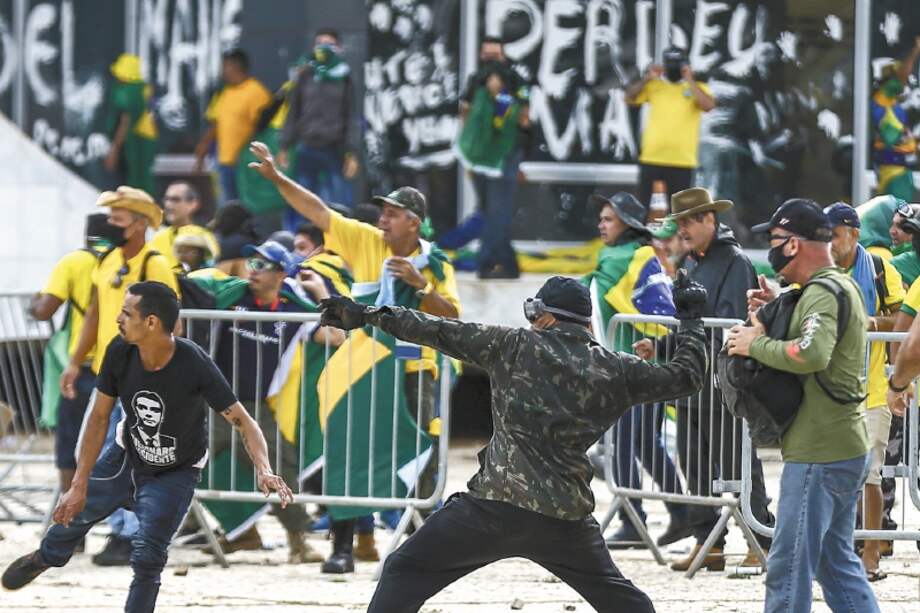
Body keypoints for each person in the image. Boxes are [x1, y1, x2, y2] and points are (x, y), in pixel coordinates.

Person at [318, 273, 708, 613]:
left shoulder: (513, 345)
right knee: (626, 603)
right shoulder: (616, 368)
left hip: (493, 508)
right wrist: (690, 321)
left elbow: (435, 329)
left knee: (405, 569)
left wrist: (366, 315)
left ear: (548, 317)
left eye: (534, 314)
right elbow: (686, 377)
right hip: (564, 517)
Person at [1, 282, 293, 611]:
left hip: (176, 472)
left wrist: (265, 469)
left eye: (127, 313)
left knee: (148, 558)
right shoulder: (119, 352)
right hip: (126, 456)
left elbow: (243, 421)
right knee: (74, 515)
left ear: (151, 322)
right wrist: (78, 483)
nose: (118, 319)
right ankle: (45, 557)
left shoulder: (193, 362)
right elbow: (98, 418)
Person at [728, 199, 879, 613]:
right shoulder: (830, 287)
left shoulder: (823, 293)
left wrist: (753, 343)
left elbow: (812, 354)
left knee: (789, 566)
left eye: (775, 241)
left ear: (793, 245)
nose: (772, 251)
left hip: (820, 452)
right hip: (839, 446)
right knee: (836, 566)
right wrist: (773, 308)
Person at [203, 239, 344, 565]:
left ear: (282, 274)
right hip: (209, 404)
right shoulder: (231, 297)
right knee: (177, 467)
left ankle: (298, 541)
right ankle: (238, 532)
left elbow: (336, 337)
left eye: (264, 265)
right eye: (252, 262)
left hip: (253, 407)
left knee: (281, 469)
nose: (253, 270)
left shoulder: (294, 309)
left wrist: (320, 291)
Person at [59, 186, 179, 566]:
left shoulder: (155, 263)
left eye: (117, 218)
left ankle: (128, 534)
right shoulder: (108, 259)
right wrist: (75, 360)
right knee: (93, 452)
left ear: (139, 224)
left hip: (142, 373)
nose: (109, 225)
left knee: (128, 456)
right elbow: (95, 314)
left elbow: (174, 320)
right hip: (107, 371)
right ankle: (118, 528)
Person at [660, 187, 773, 571]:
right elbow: (686, 323)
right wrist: (659, 348)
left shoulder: (735, 261)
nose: (684, 229)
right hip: (691, 380)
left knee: (738, 465)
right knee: (694, 466)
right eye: (680, 222)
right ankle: (708, 542)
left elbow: (728, 320)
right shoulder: (689, 263)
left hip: (723, 381)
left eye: (692, 220)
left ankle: (762, 539)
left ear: (711, 219)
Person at [581, 192, 691, 549]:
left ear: (627, 223)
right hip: (631, 365)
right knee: (644, 443)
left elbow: (657, 311)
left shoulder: (638, 256)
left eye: (609, 219)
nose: (601, 224)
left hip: (641, 366)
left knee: (625, 443)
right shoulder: (623, 257)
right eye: (600, 218)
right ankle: (682, 512)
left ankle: (633, 520)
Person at [823, 202, 904, 580]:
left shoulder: (877, 267)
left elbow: (901, 320)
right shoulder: (817, 269)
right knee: (830, 472)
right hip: (828, 386)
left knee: (869, 474)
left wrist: (871, 321)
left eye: (834, 235)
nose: (829, 243)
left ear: (854, 234)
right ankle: (836, 548)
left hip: (871, 386)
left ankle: (871, 550)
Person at [29, 214, 115, 505]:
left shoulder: (74, 262)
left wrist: (34, 301)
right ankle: (115, 519)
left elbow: (44, 310)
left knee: (70, 444)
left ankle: (71, 517)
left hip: (84, 366)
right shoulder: (124, 262)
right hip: (122, 364)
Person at [457, 36, 530, 279]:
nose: (491, 61)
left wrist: (500, 102)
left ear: (504, 56)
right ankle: (508, 264)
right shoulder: (474, 81)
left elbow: (524, 117)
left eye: (495, 56)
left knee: (499, 209)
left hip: (505, 155)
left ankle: (486, 261)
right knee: (490, 211)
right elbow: (464, 112)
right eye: (487, 56)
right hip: (479, 155)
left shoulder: (516, 80)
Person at [279, 27, 358, 230]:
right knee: (302, 200)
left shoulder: (344, 77)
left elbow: (351, 117)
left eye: (329, 44)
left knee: (337, 204)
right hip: (307, 146)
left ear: (339, 48)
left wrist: (352, 153)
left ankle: (338, 245)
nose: (324, 48)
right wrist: (285, 146)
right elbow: (293, 111)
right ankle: (301, 243)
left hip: (334, 148)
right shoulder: (305, 74)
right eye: (319, 44)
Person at [626, 49, 716, 209]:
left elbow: (708, 106)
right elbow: (629, 98)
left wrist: (690, 80)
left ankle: (675, 236)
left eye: (678, 64)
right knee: (642, 209)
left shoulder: (697, 88)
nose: (674, 69)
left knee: (678, 213)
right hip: (651, 157)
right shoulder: (654, 85)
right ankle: (642, 235)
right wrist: (646, 78)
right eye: (671, 64)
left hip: (682, 160)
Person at [195, 49, 272, 204]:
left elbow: (264, 128)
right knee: (226, 204)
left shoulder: (256, 92)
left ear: (234, 66)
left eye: (224, 66)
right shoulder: (225, 92)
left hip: (245, 162)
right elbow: (216, 123)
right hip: (223, 160)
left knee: (246, 205)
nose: (222, 71)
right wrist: (203, 146)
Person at [872, 37, 920, 201]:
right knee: (898, 218)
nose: (905, 81)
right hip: (892, 171)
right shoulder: (880, 101)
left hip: (901, 169)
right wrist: (915, 51)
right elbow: (902, 77)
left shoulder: (893, 105)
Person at [103, 54, 158, 195]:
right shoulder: (144, 89)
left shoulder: (128, 92)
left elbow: (125, 122)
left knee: (130, 186)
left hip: (132, 145)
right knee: (143, 183)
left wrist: (114, 150)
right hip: (147, 141)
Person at [149, 182, 220, 271]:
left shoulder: (203, 236)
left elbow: (212, 270)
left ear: (193, 204)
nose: (168, 205)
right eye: (166, 199)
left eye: (175, 200)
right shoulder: (158, 237)